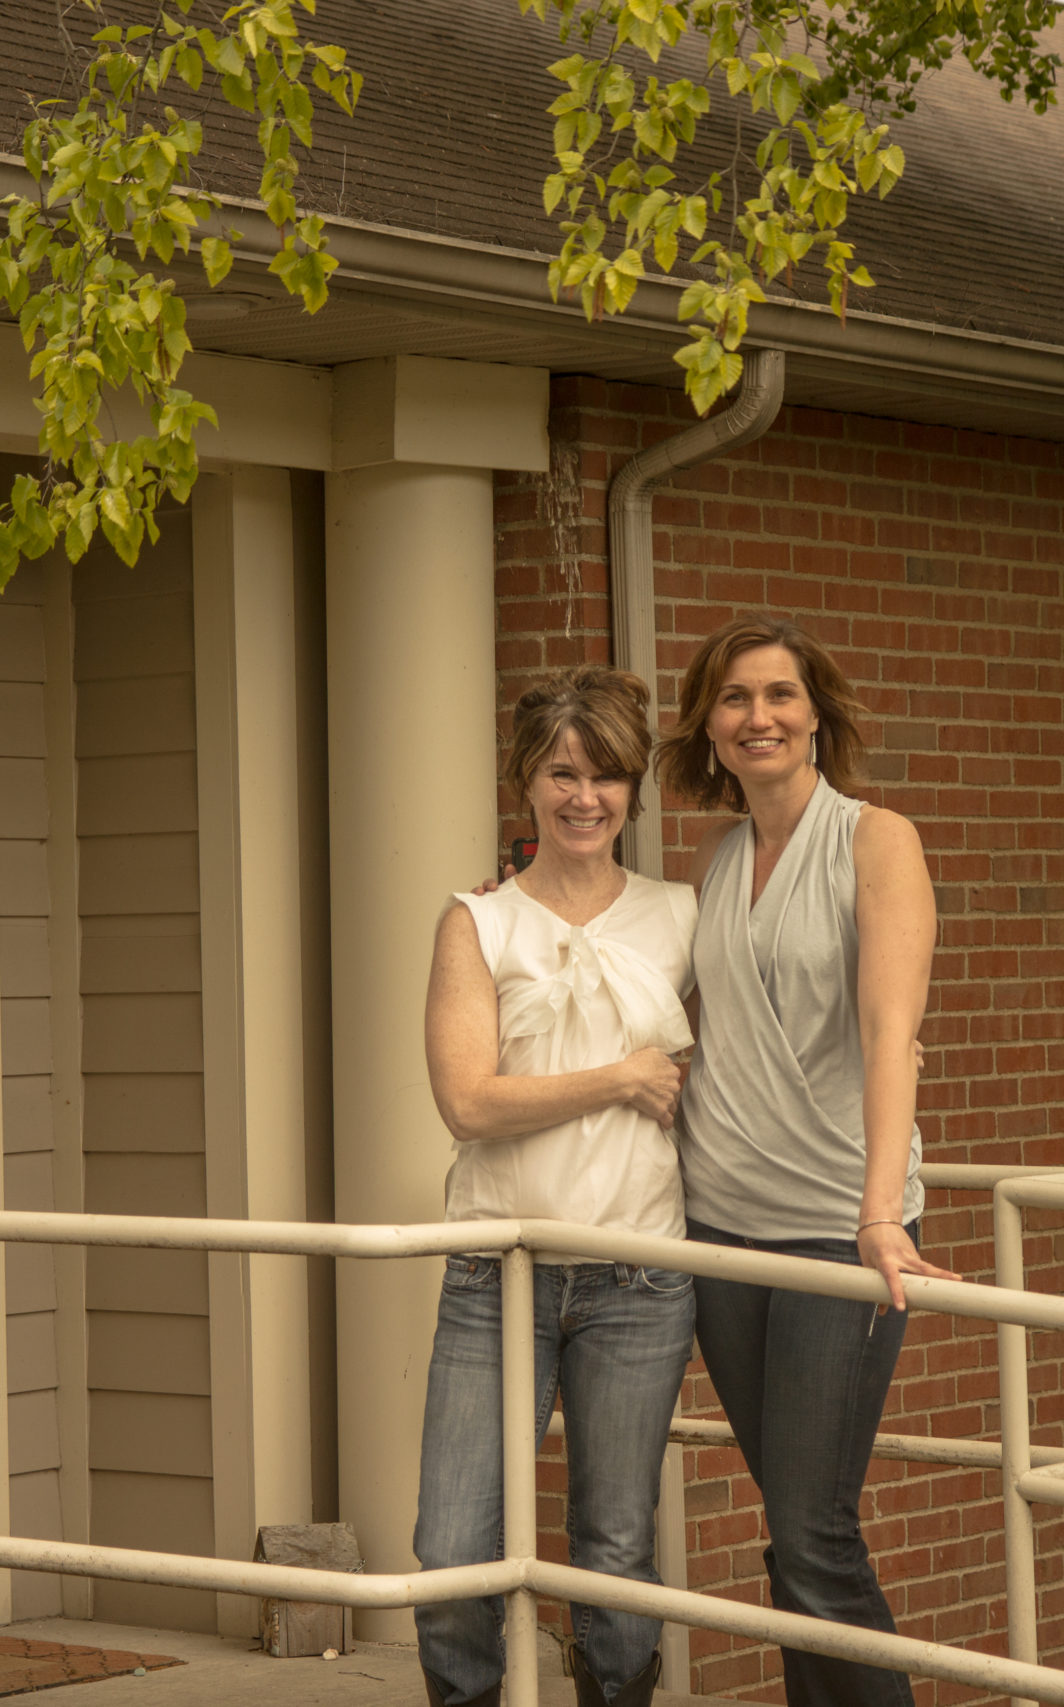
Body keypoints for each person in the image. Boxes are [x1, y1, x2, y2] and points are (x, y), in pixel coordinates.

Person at [660, 616, 958, 1707]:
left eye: (779, 695)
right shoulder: (718, 858)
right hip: (720, 1230)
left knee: (814, 1530)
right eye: (734, 700)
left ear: (818, 713)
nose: (758, 718)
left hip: (839, 1227)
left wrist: (881, 1213)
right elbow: (699, 1031)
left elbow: (893, 1034)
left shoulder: (875, 840)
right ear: (710, 726)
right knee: (790, 1538)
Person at [415, 665, 698, 1707]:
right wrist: (620, 1077)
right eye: (562, 773)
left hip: (640, 1279)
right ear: (525, 782)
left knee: (613, 1558)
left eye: (607, 776)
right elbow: (470, 1105)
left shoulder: (681, 916)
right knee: (451, 1558)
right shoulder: (477, 925)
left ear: (633, 790)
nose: (586, 797)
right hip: (500, 1274)